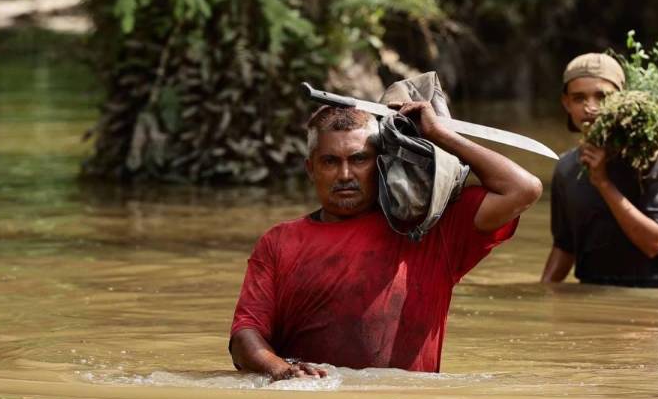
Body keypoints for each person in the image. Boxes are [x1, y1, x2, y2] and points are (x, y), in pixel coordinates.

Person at [229, 101, 543, 380]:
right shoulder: (280, 242)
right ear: (310, 169)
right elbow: (245, 336)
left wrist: (439, 135)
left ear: (382, 162)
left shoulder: (429, 230)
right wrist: (283, 371)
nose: (345, 174)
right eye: (330, 161)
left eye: (359, 159)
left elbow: (523, 189)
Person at [540, 53, 658, 288]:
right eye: (579, 98)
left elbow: (654, 243)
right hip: (587, 293)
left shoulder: (652, 157)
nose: (590, 107)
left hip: (647, 296)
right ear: (566, 103)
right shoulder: (566, 168)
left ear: (622, 100)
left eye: (602, 97)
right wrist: (542, 293)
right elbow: (564, 247)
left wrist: (603, 182)